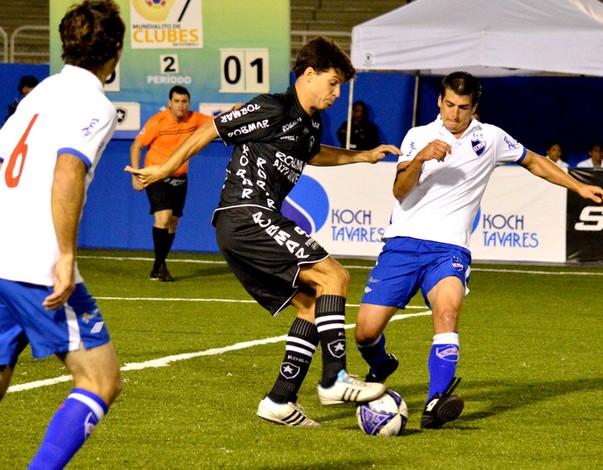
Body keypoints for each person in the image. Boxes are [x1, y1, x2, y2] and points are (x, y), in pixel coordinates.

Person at [126, 36, 401, 427]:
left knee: (310, 306)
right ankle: (334, 378)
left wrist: (361, 156)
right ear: (309, 74)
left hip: (250, 221)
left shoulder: (310, 122)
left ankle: (279, 401)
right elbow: (210, 131)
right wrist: (164, 169)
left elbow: (313, 152)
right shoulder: (272, 106)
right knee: (334, 277)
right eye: (333, 83)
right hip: (245, 213)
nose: (337, 93)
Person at [354, 71, 603, 430]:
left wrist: (579, 188)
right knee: (365, 332)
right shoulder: (419, 136)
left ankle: (435, 402)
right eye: (448, 105)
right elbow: (400, 191)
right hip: (404, 244)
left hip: (450, 249)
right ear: (439, 102)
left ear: (474, 107)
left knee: (447, 314)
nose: (454, 114)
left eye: (462, 107)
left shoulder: (490, 138)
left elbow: (535, 161)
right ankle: (382, 364)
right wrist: (421, 159)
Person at [0, 1, 125, 468]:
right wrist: (67, 255)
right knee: (100, 379)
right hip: (33, 260)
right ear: (115, 48)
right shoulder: (94, 103)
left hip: (1, 250)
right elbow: (68, 169)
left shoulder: (40, 93)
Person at [130, 86, 214, 282]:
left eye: (184, 101)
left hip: (180, 179)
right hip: (157, 177)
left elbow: (217, 122)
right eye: (177, 101)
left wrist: (233, 111)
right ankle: (158, 268)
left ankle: (160, 266)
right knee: (164, 217)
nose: (181, 105)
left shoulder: (194, 119)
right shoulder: (157, 121)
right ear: (169, 103)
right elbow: (136, 145)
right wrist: (135, 174)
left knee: (173, 223)